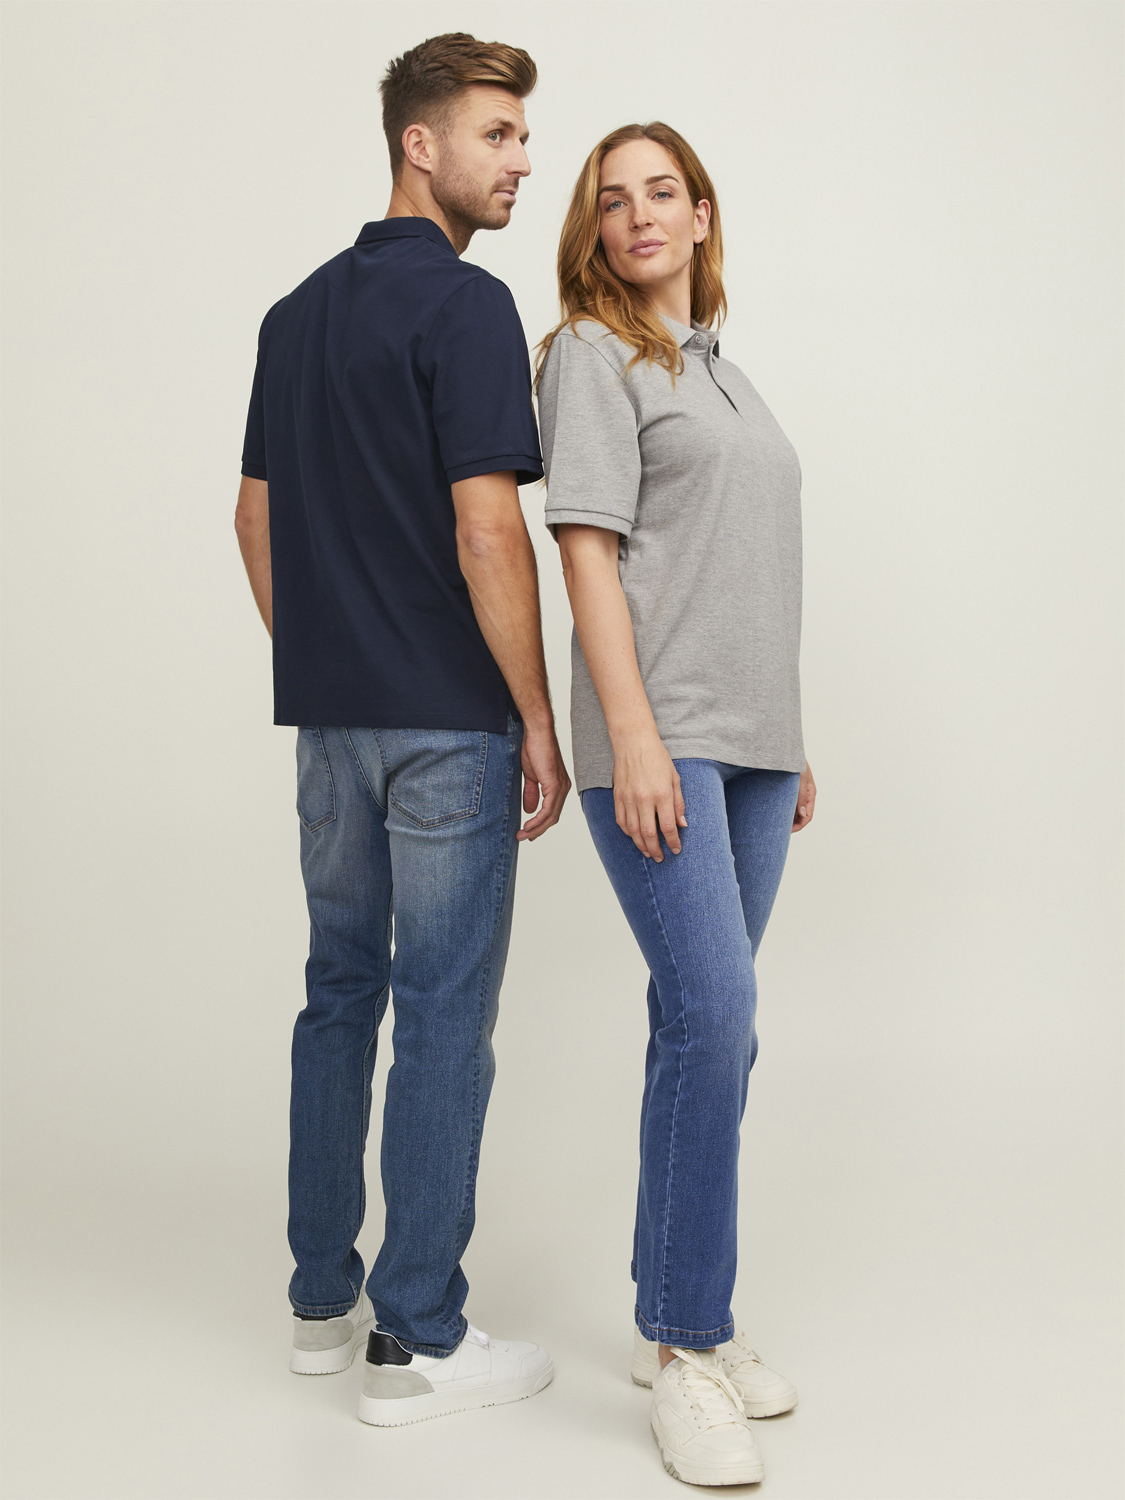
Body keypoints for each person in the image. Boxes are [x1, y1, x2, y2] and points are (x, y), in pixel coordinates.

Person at [234, 32, 570, 1429]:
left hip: (331, 730)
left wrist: (328, 660)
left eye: (523, 135)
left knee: (338, 995)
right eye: (498, 134)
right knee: (440, 1019)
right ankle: (418, 1337)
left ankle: (322, 1302)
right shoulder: (468, 306)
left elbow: (253, 519)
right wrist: (535, 714)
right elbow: (490, 527)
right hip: (443, 727)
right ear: (418, 147)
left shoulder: (293, 315)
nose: (524, 160)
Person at [537, 122, 816, 1486]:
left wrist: (789, 737)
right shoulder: (589, 357)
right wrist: (634, 737)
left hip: (752, 744)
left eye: (662, 192)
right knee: (717, 1013)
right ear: (593, 232)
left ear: (702, 215)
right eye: (613, 200)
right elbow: (588, 555)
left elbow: (742, 567)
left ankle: (679, 1311)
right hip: (660, 743)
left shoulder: (725, 375)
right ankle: (686, 1345)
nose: (639, 215)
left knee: (705, 1029)